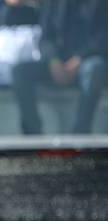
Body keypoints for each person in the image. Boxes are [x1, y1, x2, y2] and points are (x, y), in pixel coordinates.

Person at [11, 0, 108, 134]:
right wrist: (53, 60)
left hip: (87, 60)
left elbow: (103, 38)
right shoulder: (53, 3)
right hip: (57, 63)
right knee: (20, 71)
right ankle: (32, 131)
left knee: (94, 68)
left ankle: (81, 131)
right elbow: (45, 38)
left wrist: (79, 58)